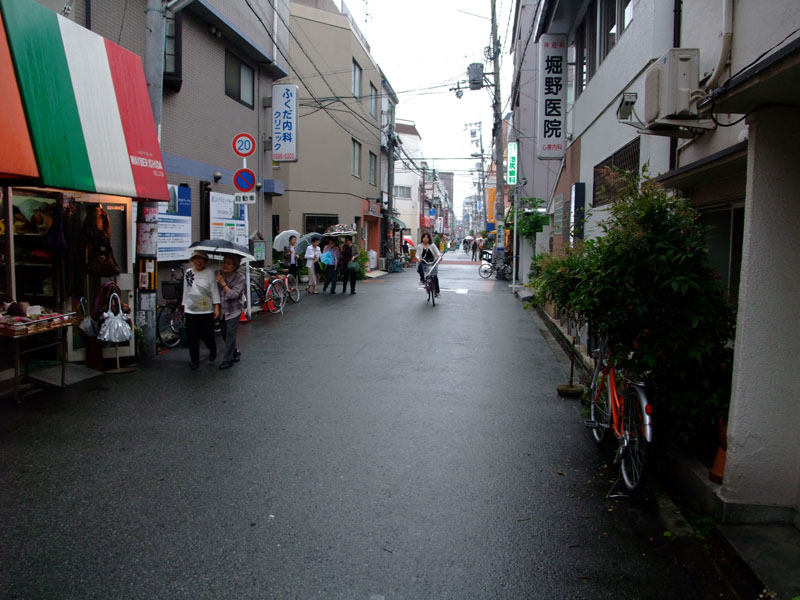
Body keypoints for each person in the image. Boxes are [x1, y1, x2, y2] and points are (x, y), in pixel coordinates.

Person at [182, 249, 220, 370]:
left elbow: (214, 290)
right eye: (196, 259)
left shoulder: (209, 273)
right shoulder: (188, 272)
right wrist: (184, 306)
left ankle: (212, 348)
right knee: (192, 337)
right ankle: (194, 360)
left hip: (206, 309)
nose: (198, 261)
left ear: (205, 261)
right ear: (193, 260)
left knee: (207, 335)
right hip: (191, 309)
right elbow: (185, 290)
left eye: (201, 259)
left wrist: (217, 306)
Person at [215, 255, 245, 370]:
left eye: (229, 263)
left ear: (234, 266)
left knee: (230, 334)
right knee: (224, 333)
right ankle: (234, 351)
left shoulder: (240, 278)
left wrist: (223, 283)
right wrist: (216, 307)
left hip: (234, 310)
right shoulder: (219, 275)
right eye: (224, 263)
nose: (225, 265)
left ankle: (227, 360)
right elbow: (215, 293)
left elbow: (234, 295)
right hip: (222, 310)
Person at [418, 232, 441, 297]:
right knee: (420, 267)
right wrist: (418, 258)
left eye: (427, 237)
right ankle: (422, 280)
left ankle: (437, 292)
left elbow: (437, 252)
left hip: (432, 262)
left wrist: (439, 255)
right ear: (422, 238)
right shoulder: (420, 246)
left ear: (429, 238)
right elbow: (417, 254)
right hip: (424, 261)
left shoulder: (432, 245)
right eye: (424, 237)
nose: (425, 238)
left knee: (435, 276)